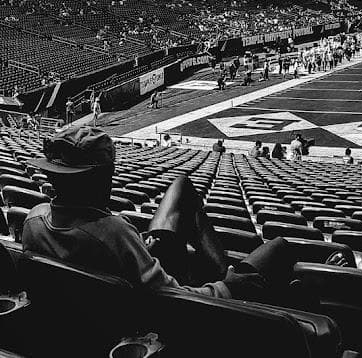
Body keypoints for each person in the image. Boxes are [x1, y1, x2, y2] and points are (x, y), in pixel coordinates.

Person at [21, 126, 288, 302]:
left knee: (181, 186)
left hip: (106, 296)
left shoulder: (34, 219)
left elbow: (85, 250)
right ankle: (225, 274)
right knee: (279, 247)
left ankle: (221, 271)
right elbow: (171, 298)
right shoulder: (113, 233)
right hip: (171, 312)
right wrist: (226, 287)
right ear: (103, 177)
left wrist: (138, 246)